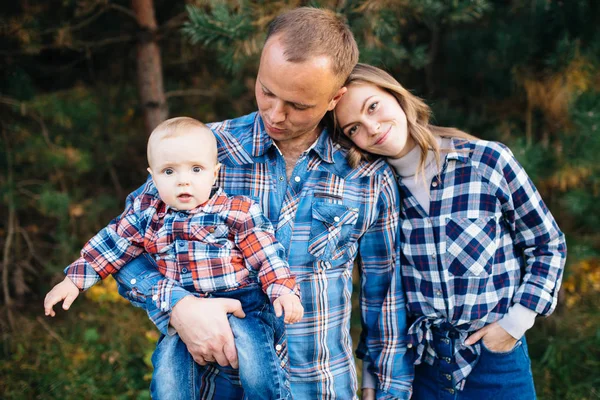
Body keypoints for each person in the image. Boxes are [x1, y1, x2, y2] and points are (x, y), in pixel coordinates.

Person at [113, 8, 413, 400]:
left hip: (320, 387)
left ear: (334, 98)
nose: (275, 114)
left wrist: (390, 390)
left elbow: (385, 300)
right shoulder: (202, 151)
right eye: (267, 91)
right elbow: (122, 247)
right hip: (214, 387)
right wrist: (178, 307)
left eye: (298, 105)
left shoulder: (367, 177)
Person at [333, 63, 567, 399]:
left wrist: (516, 323)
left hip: (495, 361)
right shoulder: (375, 195)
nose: (372, 127)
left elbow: (547, 244)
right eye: (353, 128)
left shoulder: (486, 162)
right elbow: (380, 291)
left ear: (396, 95)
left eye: (373, 107)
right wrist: (372, 373)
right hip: (423, 368)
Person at [43, 117, 304, 400]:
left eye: (196, 169)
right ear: (153, 177)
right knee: (168, 374)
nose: (183, 180)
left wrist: (283, 290)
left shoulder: (236, 211)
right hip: (182, 311)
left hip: (244, 304)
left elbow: (266, 255)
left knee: (258, 370)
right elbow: (112, 243)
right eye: (168, 171)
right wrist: (73, 281)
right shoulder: (147, 215)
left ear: (214, 173)